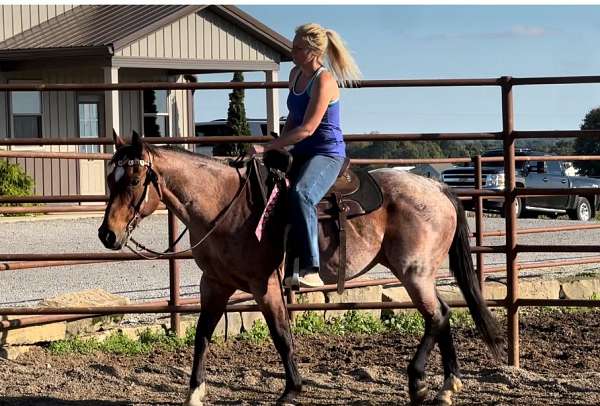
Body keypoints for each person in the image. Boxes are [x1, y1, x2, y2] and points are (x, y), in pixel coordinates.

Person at [251, 23, 361, 288]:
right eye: (293, 46)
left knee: (302, 193)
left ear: (313, 51)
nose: (292, 51)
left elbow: (308, 128)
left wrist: (268, 147)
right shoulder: (294, 74)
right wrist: (277, 147)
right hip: (301, 151)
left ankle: (311, 266)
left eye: (298, 47)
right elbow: (293, 119)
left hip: (326, 153)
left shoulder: (324, 80)